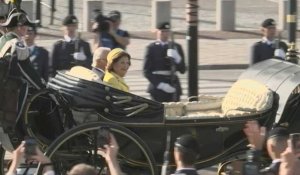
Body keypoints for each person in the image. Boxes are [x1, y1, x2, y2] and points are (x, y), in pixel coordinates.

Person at [0, 8, 45, 90]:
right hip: (5, 89)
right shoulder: (17, 44)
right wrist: (42, 87)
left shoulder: (2, 39)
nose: (27, 28)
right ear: (20, 27)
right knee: (24, 86)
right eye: (26, 25)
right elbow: (27, 70)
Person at [143, 22, 186, 102]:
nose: (165, 34)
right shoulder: (151, 48)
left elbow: (183, 70)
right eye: (162, 31)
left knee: (175, 111)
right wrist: (161, 85)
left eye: (167, 31)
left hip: (173, 84)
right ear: (157, 32)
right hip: (158, 86)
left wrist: (178, 58)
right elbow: (146, 71)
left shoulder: (176, 47)